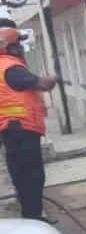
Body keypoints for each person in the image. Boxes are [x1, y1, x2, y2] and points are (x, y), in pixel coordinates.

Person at [0, 25, 57, 220]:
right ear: (10, 47)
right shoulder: (11, 67)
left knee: (21, 176)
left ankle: (30, 216)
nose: (21, 48)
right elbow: (42, 84)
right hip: (22, 129)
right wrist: (54, 78)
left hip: (10, 130)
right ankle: (34, 219)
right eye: (18, 44)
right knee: (32, 177)